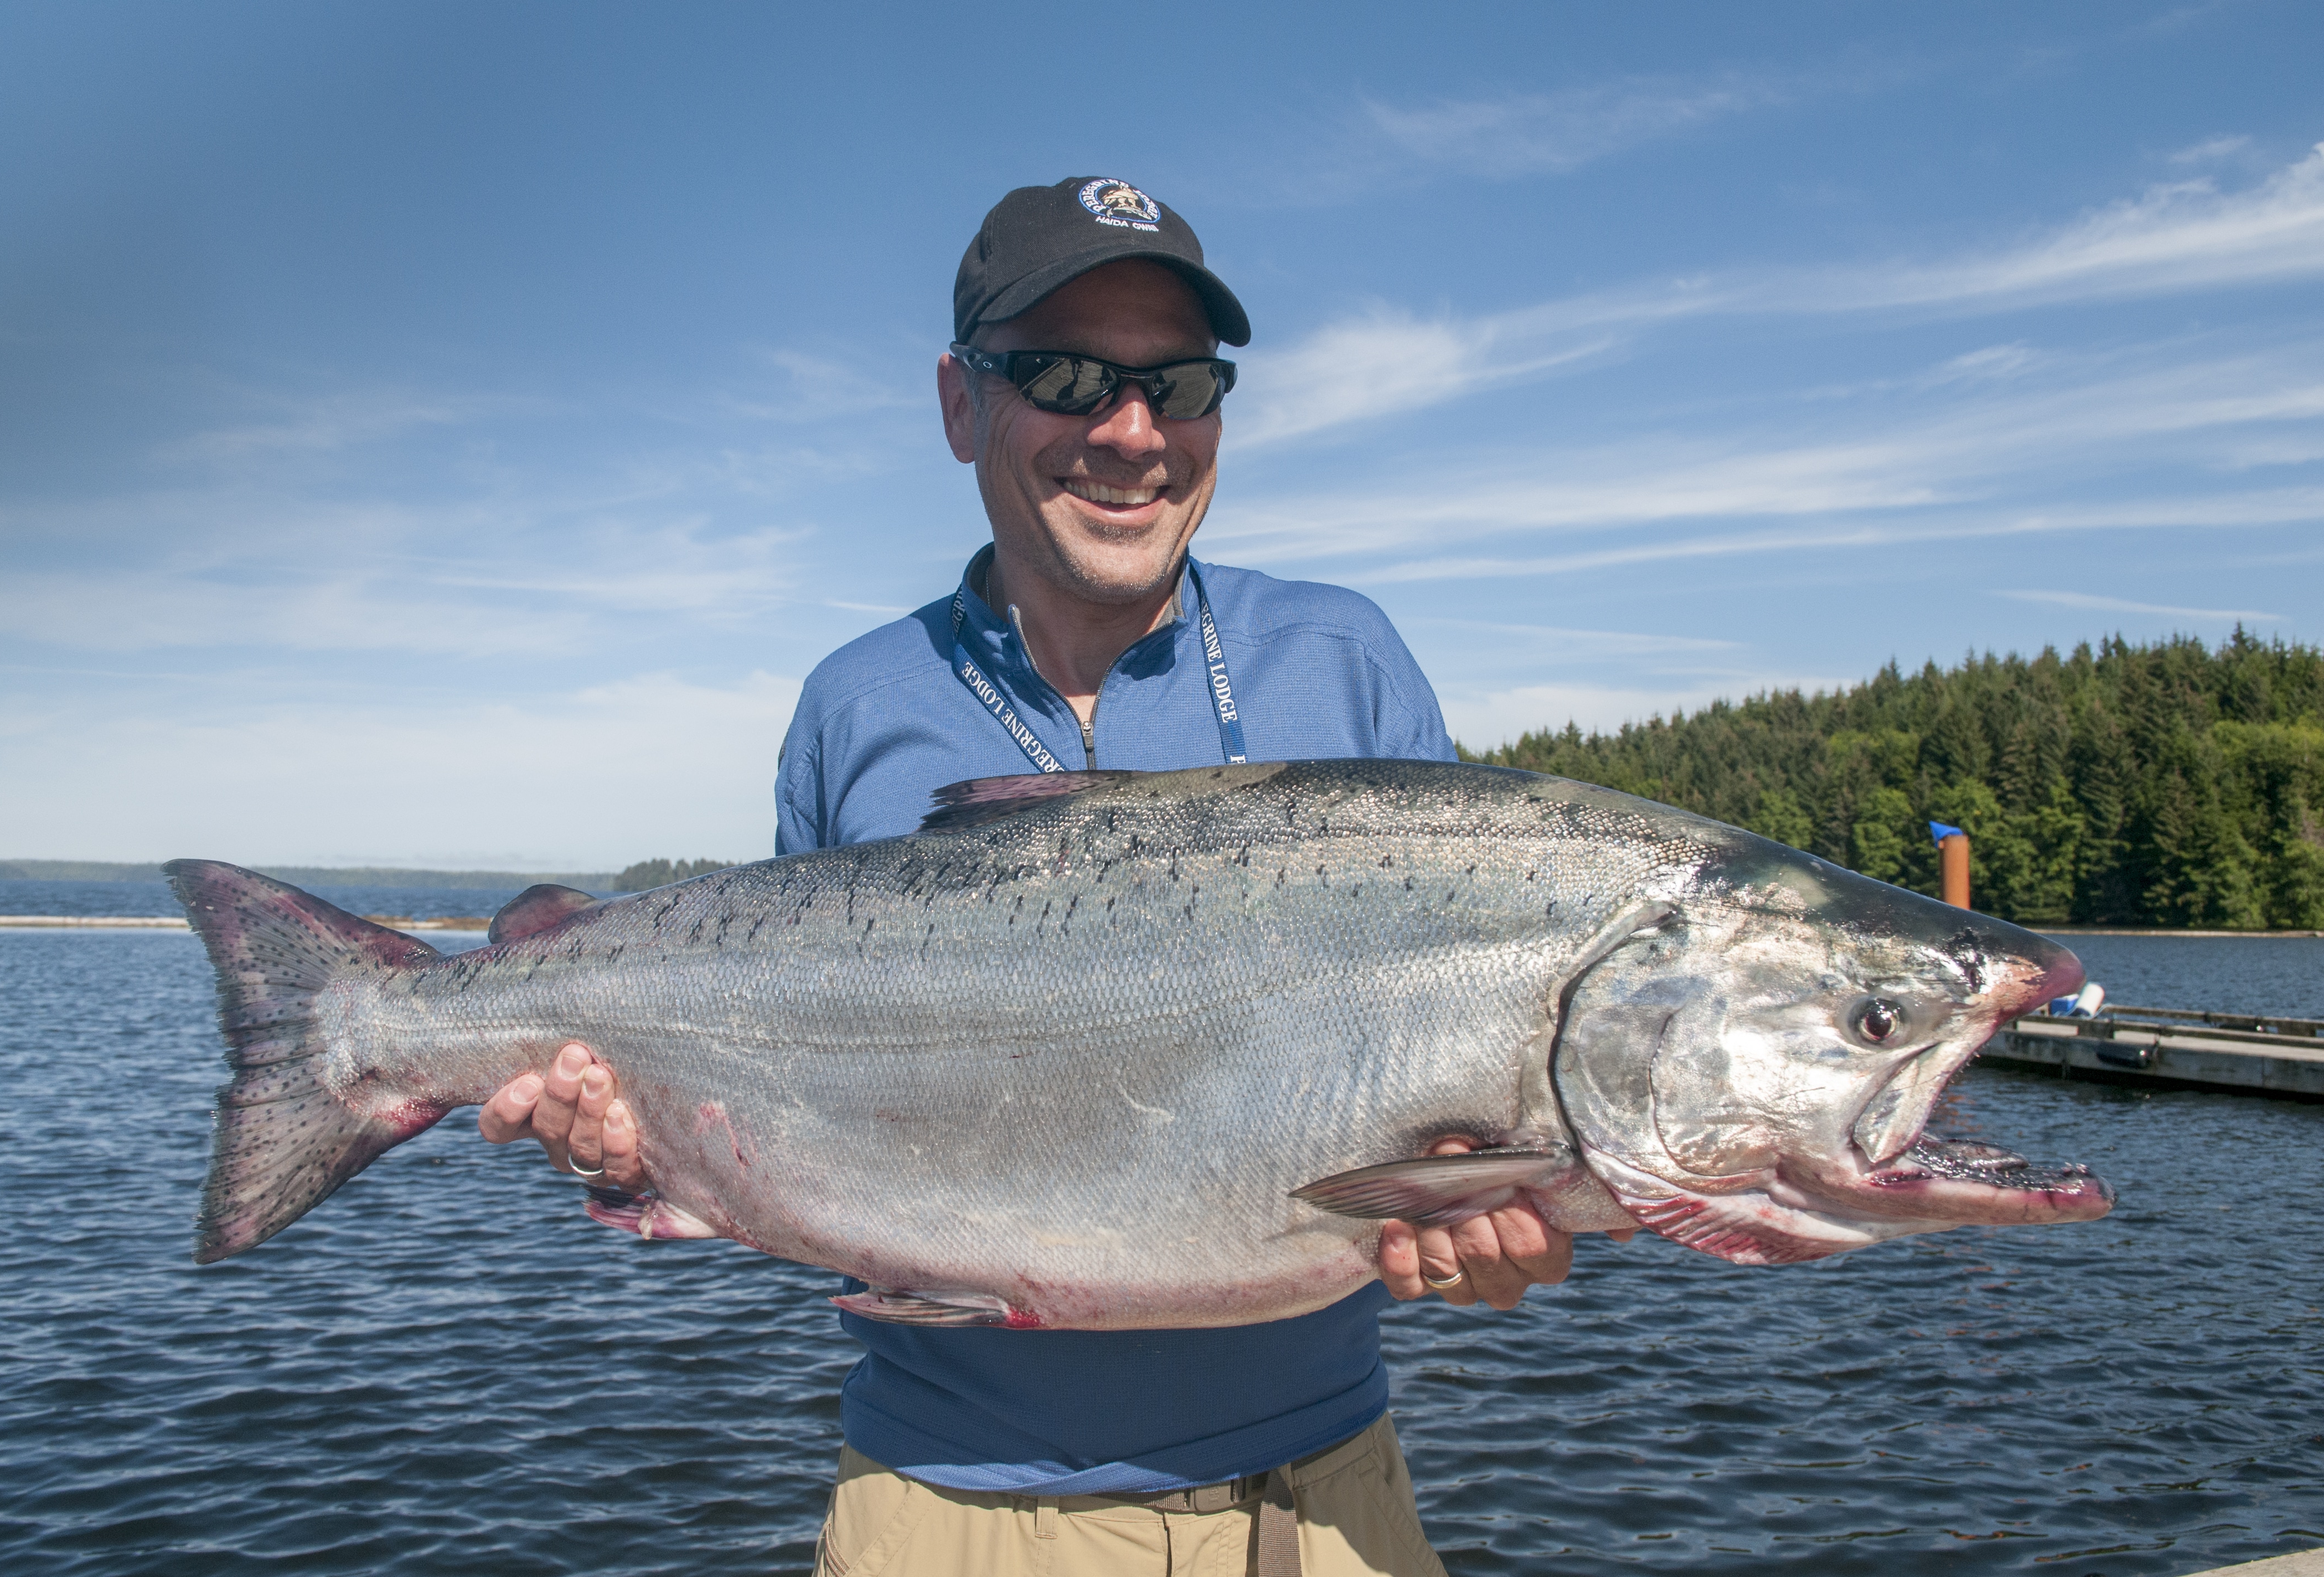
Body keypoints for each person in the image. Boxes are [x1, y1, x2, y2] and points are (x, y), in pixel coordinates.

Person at [478, 177, 1614, 1576]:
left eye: (1178, 381)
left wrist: (1503, 1232)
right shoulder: (853, 703)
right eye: (1064, 376)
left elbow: (1471, 1145)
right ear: (960, 405)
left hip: (1322, 1500)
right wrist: (634, 1128)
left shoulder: (1347, 662)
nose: (1129, 430)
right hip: (942, 1507)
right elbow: (775, 1070)